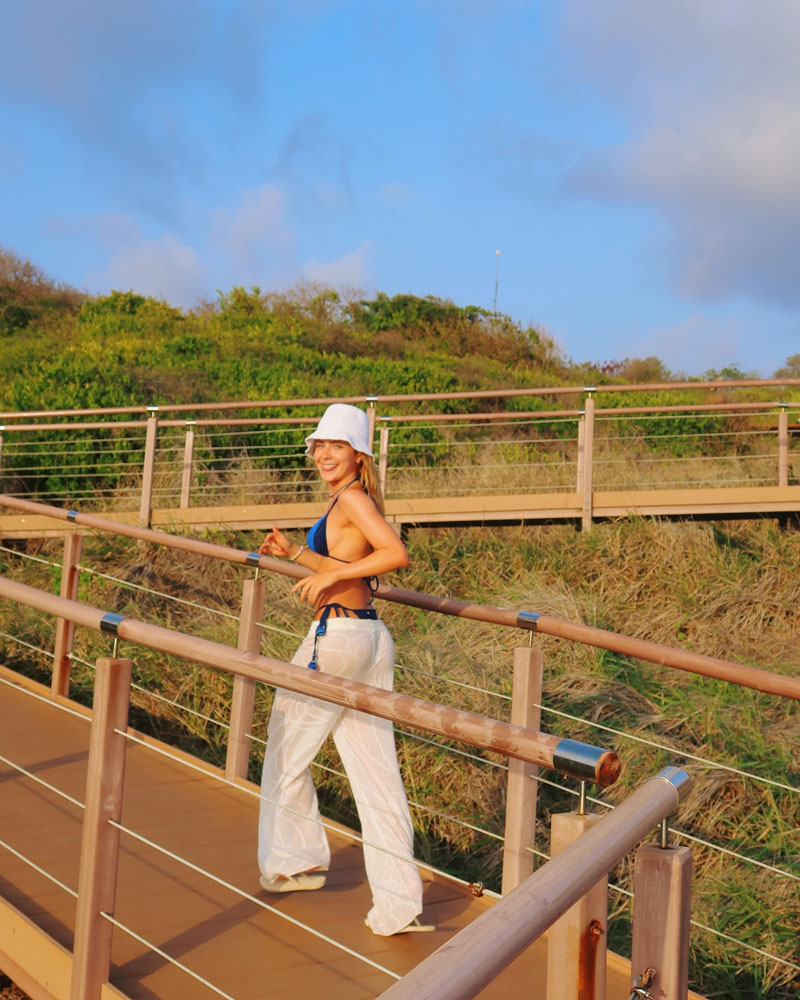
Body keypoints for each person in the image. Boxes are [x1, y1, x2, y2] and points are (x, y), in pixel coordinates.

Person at [256, 403, 432, 935]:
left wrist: (332, 577)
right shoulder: (346, 500)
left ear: (358, 454)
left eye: (336, 445)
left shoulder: (352, 497)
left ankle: (295, 862)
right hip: (368, 638)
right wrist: (298, 555)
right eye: (320, 445)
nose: (325, 454)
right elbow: (348, 572)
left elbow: (394, 554)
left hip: (336, 640)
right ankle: (399, 905)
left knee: (286, 743)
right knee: (376, 775)